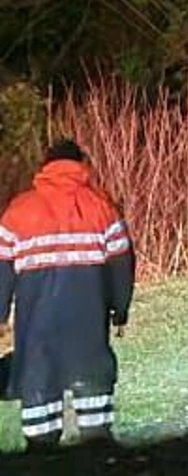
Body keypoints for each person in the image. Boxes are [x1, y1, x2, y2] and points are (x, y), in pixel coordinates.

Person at [0, 139, 135, 452]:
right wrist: (120, 306)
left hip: (37, 318)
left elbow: (2, 266)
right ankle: (96, 435)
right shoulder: (101, 206)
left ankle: (40, 442)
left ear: (45, 167)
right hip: (88, 311)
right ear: (81, 165)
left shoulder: (20, 211)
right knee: (91, 366)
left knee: (38, 370)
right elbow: (121, 261)